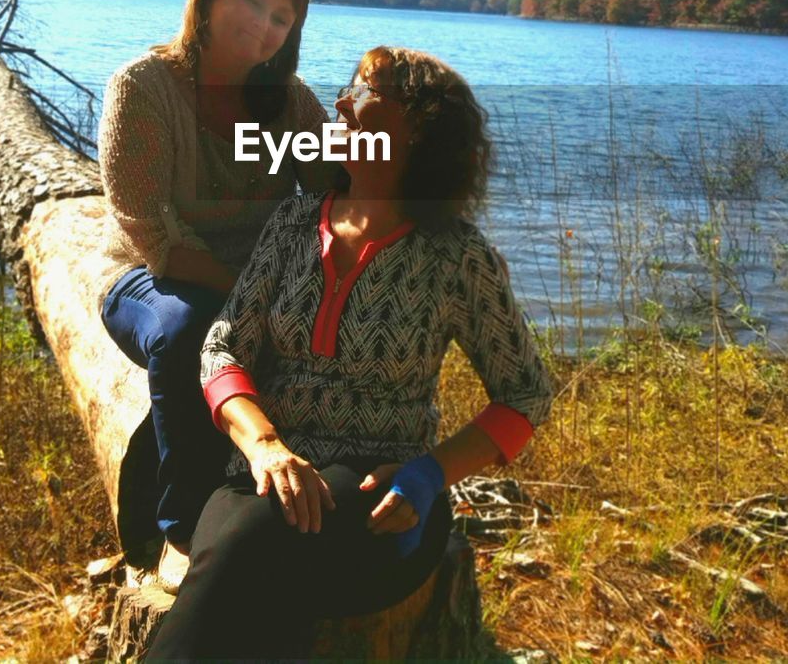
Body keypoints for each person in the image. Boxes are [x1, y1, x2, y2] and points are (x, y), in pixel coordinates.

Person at [144, 46, 555, 661]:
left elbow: (527, 390)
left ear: (417, 132)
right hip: (266, 472)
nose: (341, 104)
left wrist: (428, 474)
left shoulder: (455, 255)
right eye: (348, 89)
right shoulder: (294, 221)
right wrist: (264, 446)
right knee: (241, 549)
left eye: (365, 95)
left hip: (380, 496)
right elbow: (223, 345)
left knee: (245, 550)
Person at [96, 0, 334, 557]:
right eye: (251, 0)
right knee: (190, 329)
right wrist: (254, 302)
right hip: (150, 279)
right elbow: (155, 234)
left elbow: (337, 189)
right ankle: (183, 533)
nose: (263, 22)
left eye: (282, 16)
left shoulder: (289, 100)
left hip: (249, 284)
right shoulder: (144, 88)